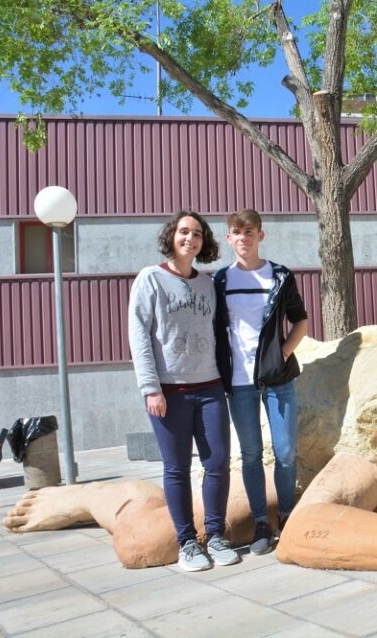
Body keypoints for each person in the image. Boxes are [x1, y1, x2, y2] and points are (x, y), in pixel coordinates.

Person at [1, 452, 377, 595]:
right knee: (142, 542)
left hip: (306, 469)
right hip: (274, 460)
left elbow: (307, 529)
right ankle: (103, 493)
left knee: (150, 541)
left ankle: (142, 493)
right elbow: (303, 535)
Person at [127, 210, 240, 572]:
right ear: (171, 237)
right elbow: (139, 335)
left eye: (196, 234)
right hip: (169, 391)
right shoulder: (151, 279)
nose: (189, 239)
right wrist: (150, 388)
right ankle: (187, 542)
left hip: (209, 387)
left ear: (203, 242)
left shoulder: (208, 284)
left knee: (218, 463)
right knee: (176, 469)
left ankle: (215, 535)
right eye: (183, 232)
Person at [213, 209, 309, 555]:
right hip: (238, 383)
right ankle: (261, 525)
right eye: (237, 232)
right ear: (229, 238)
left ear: (260, 236)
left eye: (249, 231)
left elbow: (300, 321)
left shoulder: (280, 275)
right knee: (251, 455)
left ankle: (287, 516)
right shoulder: (220, 280)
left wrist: (283, 354)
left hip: (278, 379)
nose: (243, 238)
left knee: (284, 452)